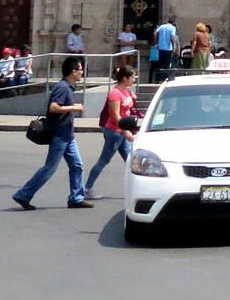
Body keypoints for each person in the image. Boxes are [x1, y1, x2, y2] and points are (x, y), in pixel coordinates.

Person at [13, 56, 88, 210]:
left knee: (77, 165)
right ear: (73, 71)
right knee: (49, 168)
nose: (82, 73)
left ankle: (76, 198)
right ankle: (23, 195)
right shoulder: (62, 87)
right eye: (80, 70)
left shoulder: (68, 87)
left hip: (68, 135)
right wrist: (74, 107)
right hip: (59, 135)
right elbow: (54, 107)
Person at [85, 65, 138, 198]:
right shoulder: (115, 93)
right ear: (125, 78)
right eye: (132, 77)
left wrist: (133, 98)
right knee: (103, 161)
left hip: (121, 131)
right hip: (114, 131)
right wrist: (125, 131)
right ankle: (86, 189)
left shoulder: (125, 91)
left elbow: (127, 109)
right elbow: (115, 116)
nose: (134, 79)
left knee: (132, 161)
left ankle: (138, 189)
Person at [150, 17, 177, 82]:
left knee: (159, 64)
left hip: (160, 48)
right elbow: (172, 37)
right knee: (166, 65)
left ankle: (157, 79)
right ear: (173, 22)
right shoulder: (173, 28)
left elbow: (155, 33)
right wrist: (174, 47)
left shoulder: (162, 26)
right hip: (168, 49)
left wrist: (156, 42)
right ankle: (164, 79)